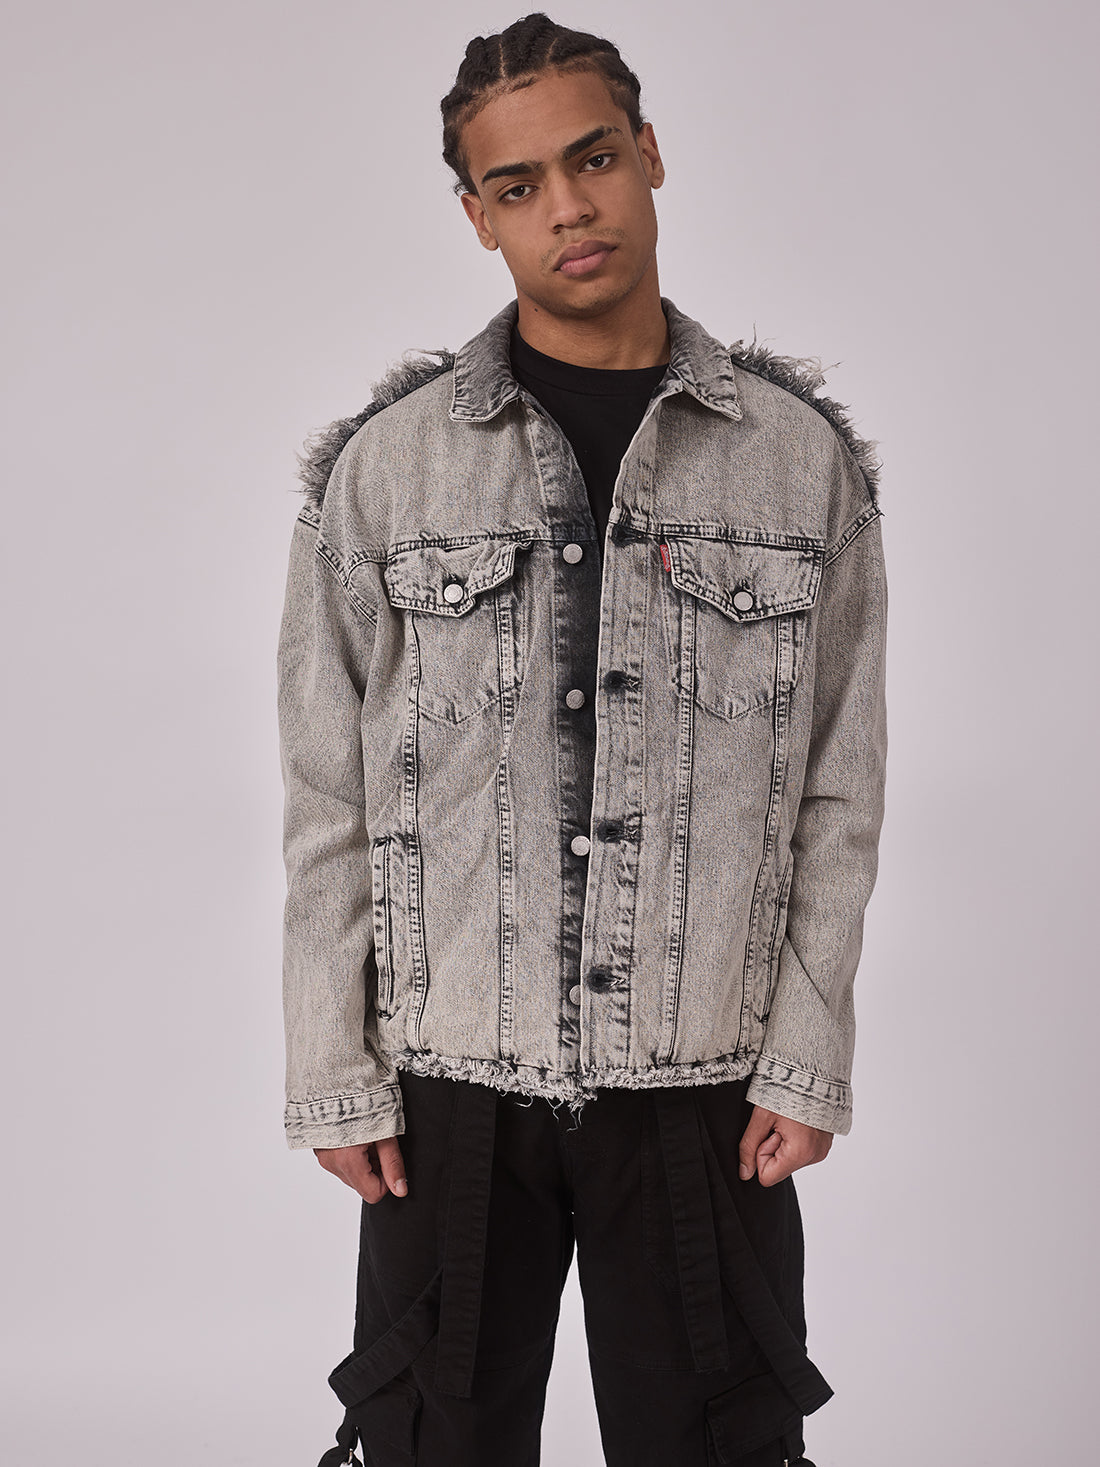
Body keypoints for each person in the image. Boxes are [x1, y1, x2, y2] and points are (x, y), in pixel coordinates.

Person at [276, 14, 888, 1466]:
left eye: (593, 158)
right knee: (430, 1443)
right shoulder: (387, 472)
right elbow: (325, 795)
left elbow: (838, 786)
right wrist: (333, 1065)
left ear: (649, 154)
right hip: (446, 1081)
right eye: (519, 184)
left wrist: (807, 1053)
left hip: (703, 1084)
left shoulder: (797, 463)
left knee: (717, 1444)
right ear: (477, 215)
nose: (568, 207)